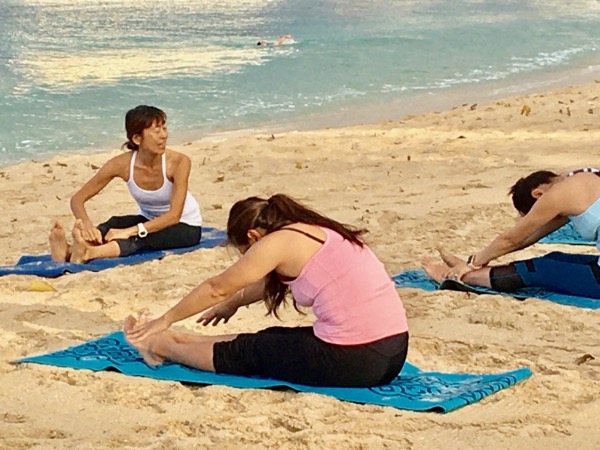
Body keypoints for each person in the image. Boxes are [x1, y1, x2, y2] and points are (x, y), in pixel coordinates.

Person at [125, 194, 409, 387]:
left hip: (361, 359)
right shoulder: (311, 231)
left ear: (253, 237)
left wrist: (166, 318)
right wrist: (236, 302)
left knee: (249, 352)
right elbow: (270, 281)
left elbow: (216, 288)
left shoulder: (276, 243)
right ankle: (180, 340)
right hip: (392, 350)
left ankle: (158, 344)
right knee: (271, 338)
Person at [49, 105, 203, 264]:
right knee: (112, 225)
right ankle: (67, 251)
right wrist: (88, 227)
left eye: (164, 129)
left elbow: (174, 216)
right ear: (137, 139)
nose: (164, 136)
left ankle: (88, 253)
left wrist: (131, 231)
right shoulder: (121, 164)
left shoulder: (179, 162)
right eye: (157, 131)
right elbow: (77, 199)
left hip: (185, 226)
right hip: (148, 219)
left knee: (139, 237)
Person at [423, 167, 600, 299]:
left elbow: (512, 239)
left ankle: (460, 277)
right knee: (554, 258)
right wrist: (477, 260)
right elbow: (530, 236)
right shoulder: (582, 178)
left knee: (538, 269)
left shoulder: (558, 194)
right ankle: (473, 272)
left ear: (538, 194)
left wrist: (471, 265)